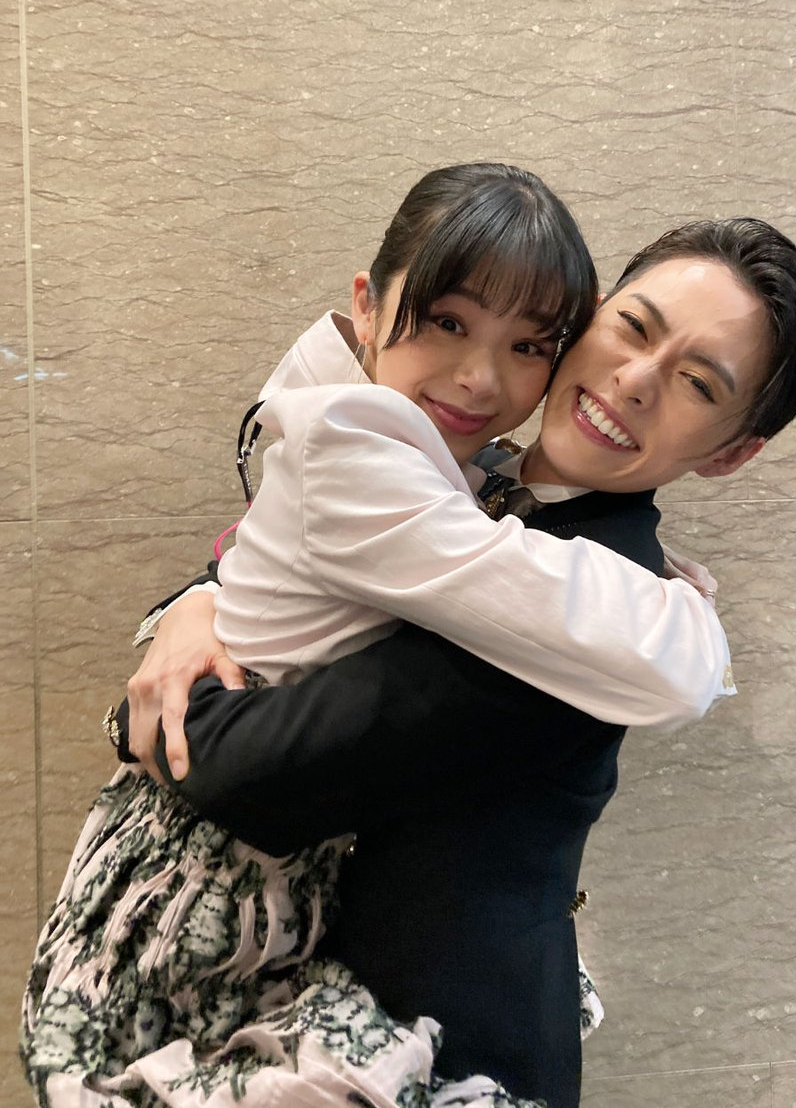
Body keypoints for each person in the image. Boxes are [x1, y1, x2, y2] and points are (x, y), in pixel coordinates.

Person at [21, 167, 742, 1108]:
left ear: (731, 449)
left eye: (525, 344)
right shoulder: (407, 455)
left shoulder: (556, 565)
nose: (480, 376)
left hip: (433, 1030)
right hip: (202, 912)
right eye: (446, 322)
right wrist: (193, 609)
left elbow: (251, 763)